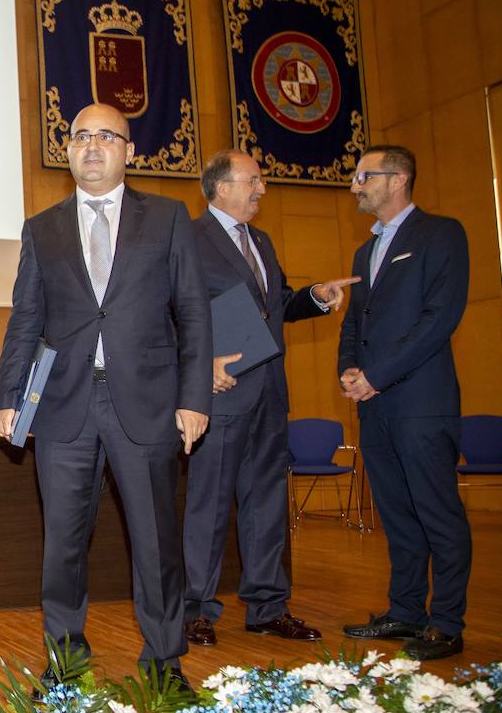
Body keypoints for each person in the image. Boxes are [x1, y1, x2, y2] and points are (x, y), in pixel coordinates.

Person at [0, 103, 211, 689]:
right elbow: (25, 319)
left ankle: (164, 663)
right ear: (68, 149)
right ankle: (65, 660)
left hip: (148, 402)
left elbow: (193, 311)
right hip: (63, 406)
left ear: (129, 151)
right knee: (62, 544)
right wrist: (9, 396)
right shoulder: (41, 228)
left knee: (156, 542)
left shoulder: (168, 218)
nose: (92, 146)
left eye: (107, 137)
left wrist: (195, 398)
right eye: (81, 136)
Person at [181, 149, 359, 648]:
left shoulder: (260, 239)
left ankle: (267, 607)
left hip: (270, 392)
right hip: (220, 394)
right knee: (209, 505)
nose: (262, 189)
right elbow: (169, 312)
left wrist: (315, 297)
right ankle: (195, 611)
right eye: (253, 181)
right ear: (221, 187)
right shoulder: (188, 238)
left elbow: (275, 305)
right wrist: (200, 368)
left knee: (266, 504)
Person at [338, 144, 470, 661]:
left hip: (421, 403)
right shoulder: (364, 251)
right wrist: (350, 370)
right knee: (396, 514)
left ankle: (447, 622)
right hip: (375, 406)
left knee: (438, 513)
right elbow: (355, 322)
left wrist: (378, 374)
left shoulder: (441, 234)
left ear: (397, 179)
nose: (355, 185)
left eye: (364, 176)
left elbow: (438, 320)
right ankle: (407, 611)